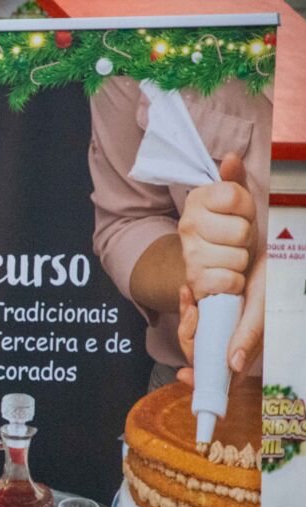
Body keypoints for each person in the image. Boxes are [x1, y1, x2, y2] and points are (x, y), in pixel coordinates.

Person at [89, 76, 271, 390]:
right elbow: (128, 221)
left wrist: (298, 265)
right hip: (207, 383)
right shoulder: (131, 37)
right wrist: (205, 270)